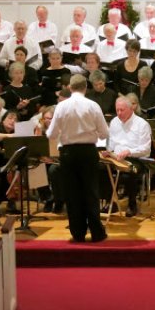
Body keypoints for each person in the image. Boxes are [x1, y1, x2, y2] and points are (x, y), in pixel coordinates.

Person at [46, 74, 109, 243]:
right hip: (88, 151)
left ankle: (77, 232)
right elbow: (104, 133)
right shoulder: (93, 105)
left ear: (70, 88)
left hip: (67, 153)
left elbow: (51, 134)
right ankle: (97, 232)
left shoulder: (61, 106)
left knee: (72, 193)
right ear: (85, 88)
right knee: (91, 191)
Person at [104, 96, 152, 217]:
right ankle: (110, 202)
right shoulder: (114, 122)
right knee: (101, 168)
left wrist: (129, 151)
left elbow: (146, 149)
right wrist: (108, 151)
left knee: (128, 174)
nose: (119, 113)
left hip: (137, 158)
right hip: (116, 157)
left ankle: (132, 204)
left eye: (122, 110)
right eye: (117, 110)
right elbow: (112, 143)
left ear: (131, 109)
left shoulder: (142, 124)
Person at [34, 105, 64, 213]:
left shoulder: (62, 130)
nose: (47, 121)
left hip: (60, 160)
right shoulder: (40, 130)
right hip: (45, 160)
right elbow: (36, 150)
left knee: (53, 170)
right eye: (45, 118)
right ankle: (48, 198)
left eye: (50, 118)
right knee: (35, 167)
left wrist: (53, 158)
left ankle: (59, 200)